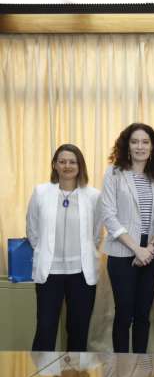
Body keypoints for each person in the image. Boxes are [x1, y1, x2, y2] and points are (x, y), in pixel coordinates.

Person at [101, 123, 154, 354]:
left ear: (152, 147)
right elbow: (109, 216)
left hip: (152, 254)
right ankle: (121, 371)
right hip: (122, 253)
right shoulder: (114, 173)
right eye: (135, 141)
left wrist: (150, 247)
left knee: (143, 314)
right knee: (124, 313)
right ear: (127, 146)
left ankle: (140, 368)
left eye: (145, 142)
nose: (140, 146)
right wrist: (136, 249)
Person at [26, 144, 101, 352]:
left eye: (72, 161)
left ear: (80, 166)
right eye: (62, 161)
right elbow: (32, 229)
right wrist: (43, 251)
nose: (67, 166)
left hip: (81, 273)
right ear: (55, 165)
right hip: (50, 272)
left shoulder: (93, 196)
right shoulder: (41, 192)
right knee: (45, 329)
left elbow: (96, 234)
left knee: (78, 330)